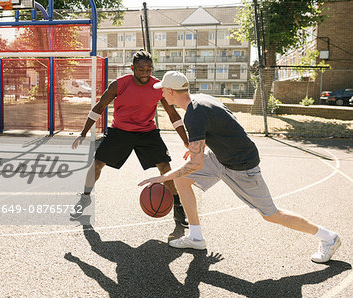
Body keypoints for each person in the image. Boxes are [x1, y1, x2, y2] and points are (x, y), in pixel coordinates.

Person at [139, 71, 341, 263]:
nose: (162, 93)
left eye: (163, 90)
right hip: (220, 156)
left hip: (242, 166)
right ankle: (196, 237)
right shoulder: (200, 100)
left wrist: (162, 177)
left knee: (271, 214)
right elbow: (225, 126)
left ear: (172, 92)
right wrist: (200, 147)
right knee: (181, 180)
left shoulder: (193, 114)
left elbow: (195, 163)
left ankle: (328, 237)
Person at [72, 51, 189, 226]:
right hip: (120, 131)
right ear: (132, 68)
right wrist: (83, 132)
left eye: (149, 69)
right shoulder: (119, 85)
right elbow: (100, 106)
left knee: (165, 167)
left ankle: (178, 207)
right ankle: (85, 197)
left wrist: (186, 141)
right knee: (97, 164)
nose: (145, 73)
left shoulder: (158, 87)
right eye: (141, 69)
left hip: (147, 132)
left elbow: (172, 114)